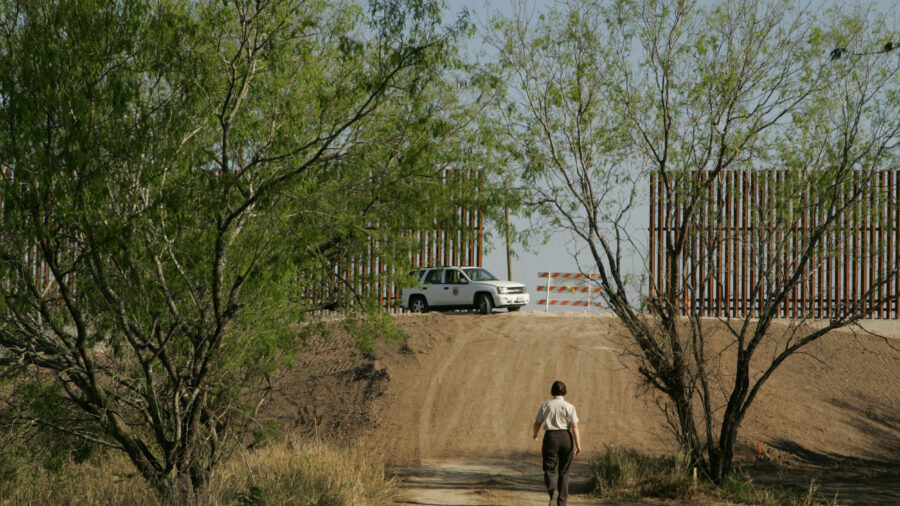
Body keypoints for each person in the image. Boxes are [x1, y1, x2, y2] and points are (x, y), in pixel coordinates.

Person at [533, 380, 582, 506]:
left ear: (552, 391)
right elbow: (575, 427)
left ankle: (553, 491)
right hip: (566, 437)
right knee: (564, 472)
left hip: (550, 437)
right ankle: (562, 502)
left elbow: (538, 422)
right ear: (564, 392)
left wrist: (535, 434)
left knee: (549, 469)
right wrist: (578, 445)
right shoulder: (569, 407)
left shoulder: (546, 405)